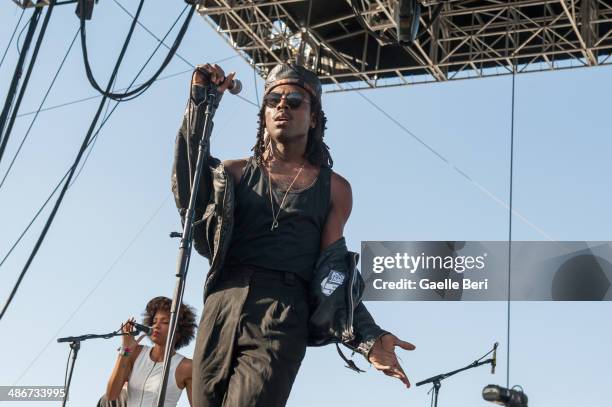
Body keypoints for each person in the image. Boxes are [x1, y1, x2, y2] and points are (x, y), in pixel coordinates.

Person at [171, 62, 415, 407]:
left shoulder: (334, 189)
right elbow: (188, 186)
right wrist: (200, 100)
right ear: (264, 115)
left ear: (314, 117)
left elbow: (334, 273)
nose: (283, 106)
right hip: (222, 301)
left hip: (282, 311)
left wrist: (368, 337)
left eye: (295, 100)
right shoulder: (234, 173)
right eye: (274, 100)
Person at [104, 296, 197, 407]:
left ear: (179, 331)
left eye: (165, 322)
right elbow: (111, 396)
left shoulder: (187, 367)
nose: (156, 326)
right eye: (154, 321)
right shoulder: (134, 353)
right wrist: (125, 350)